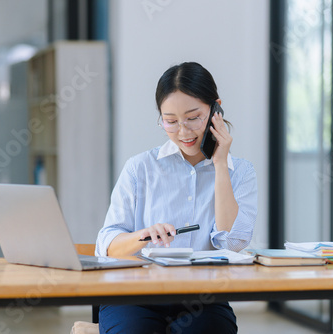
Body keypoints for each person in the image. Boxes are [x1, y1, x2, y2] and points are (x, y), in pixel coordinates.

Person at [95, 62, 258, 334]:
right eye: (170, 121)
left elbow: (233, 242)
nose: (183, 132)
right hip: (134, 296)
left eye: (194, 118)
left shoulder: (240, 172)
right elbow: (107, 245)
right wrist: (143, 235)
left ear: (215, 110)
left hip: (203, 300)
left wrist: (220, 165)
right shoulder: (140, 168)